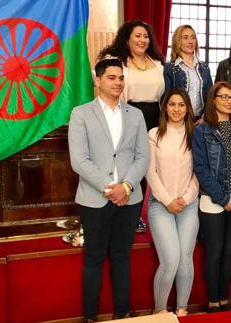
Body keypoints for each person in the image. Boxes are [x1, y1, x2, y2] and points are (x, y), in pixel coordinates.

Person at [68, 58, 150, 322]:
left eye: (121, 78)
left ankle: (122, 313)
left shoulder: (135, 115)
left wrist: (125, 186)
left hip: (129, 198)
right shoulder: (80, 114)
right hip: (95, 199)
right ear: (98, 80)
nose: (117, 82)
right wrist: (110, 187)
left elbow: (143, 157)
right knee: (93, 258)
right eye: (112, 77)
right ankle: (90, 316)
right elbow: (79, 160)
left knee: (122, 256)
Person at [192, 81, 231, 313]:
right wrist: (223, 198)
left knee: (230, 251)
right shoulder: (202, 130)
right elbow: (201, 169)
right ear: (213, 99)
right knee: (215, 250)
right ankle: (212, 301)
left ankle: (224, 299)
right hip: (212, 200)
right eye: (223, 97)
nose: (229, 101)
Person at [98, 20, 165, 233]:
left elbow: (163, 96)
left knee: (147, 165)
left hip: (155, 118)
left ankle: (136, 215)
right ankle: (116, 209)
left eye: (145, 36)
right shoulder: (118, 62)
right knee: (126, 162)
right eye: (137, 35)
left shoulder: (158, 64)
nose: (142, 40)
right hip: (127, 116)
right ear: (127, 39)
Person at [146, 88, 199, 317]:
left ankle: (182, 309)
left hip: (188, 205)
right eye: (172, 104)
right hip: (161, 206)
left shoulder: (195, 135)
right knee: (170, 260)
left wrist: (185, 199)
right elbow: (150, 173)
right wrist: (168, 201)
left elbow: (199, 173)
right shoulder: (154, 134)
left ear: (187, 108)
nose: (176, 109)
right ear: (165, 107)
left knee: (186, 259)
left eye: (181, 105)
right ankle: (160, 311)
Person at [164, 25, 213, 122]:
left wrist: (205, 117)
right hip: (178, 119)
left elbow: (210, 95)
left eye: (193, 37)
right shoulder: (169, 68)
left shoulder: (204, 67)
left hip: (201, 120)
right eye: (185, 37)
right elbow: (166, 97)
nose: (190, 41)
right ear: (177, 41)